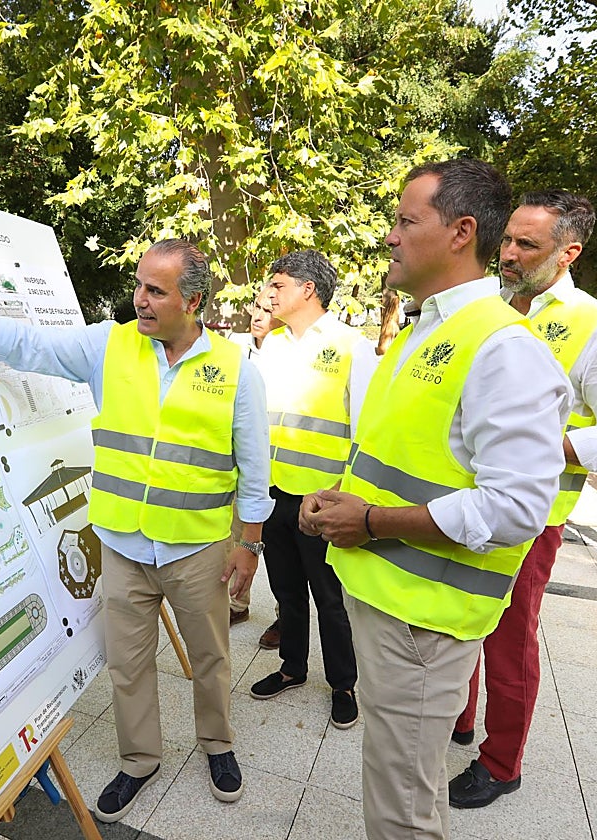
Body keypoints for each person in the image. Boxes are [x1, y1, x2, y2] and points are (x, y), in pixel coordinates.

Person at [0, 239, 273, 823]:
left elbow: (254, 467)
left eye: (154, 291)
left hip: (196, 548)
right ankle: (139, 759)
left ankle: (217, 744)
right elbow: (27, 345)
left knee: (211, 655)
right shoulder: (108, 346)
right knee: (128, 662)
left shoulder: (237, 370)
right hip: (121, 544)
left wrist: (248, 545)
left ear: (191, 301)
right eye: (138, 285)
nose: (138, 299)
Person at [298, 159, 570, 840]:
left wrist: (371, 521)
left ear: (461, 232)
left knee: (403, 810)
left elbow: (513, 511)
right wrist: (344, 498)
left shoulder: (504, 349)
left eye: (404, 219)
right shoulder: (427, 330)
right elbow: (414, 459)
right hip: (390, 603)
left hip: (424, 624)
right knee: (395, 786)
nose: (389, 236)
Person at [448, 190, 597, 809]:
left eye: (525, 245)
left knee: (510, 640)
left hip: (531, 521)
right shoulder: (481, 305)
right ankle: (458, 718)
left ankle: (501, 761)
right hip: (460, 501)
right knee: (459, 621)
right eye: (506, 239)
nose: (506, 253)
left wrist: (539, 444)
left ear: (569, 253)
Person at [247, 249, 376, 729]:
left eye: (277, 284)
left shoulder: (350, 346)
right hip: (275, 491)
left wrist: (345, 494)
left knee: (329, 596)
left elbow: (366, 429)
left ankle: (343, 683)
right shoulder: (273, 346)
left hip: (322, 499)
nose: (269, 293)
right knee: (284, 589)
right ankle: (293, 668)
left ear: (308, 289)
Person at [228, 289, 281, 626]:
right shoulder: (235, 350)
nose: (258, 316)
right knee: (239, 537)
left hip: (284, 470)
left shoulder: (290, 355)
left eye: (267, 311)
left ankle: (284, 616)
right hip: (241, 465)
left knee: (280, 554)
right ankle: (237, 603)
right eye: (256, 309)